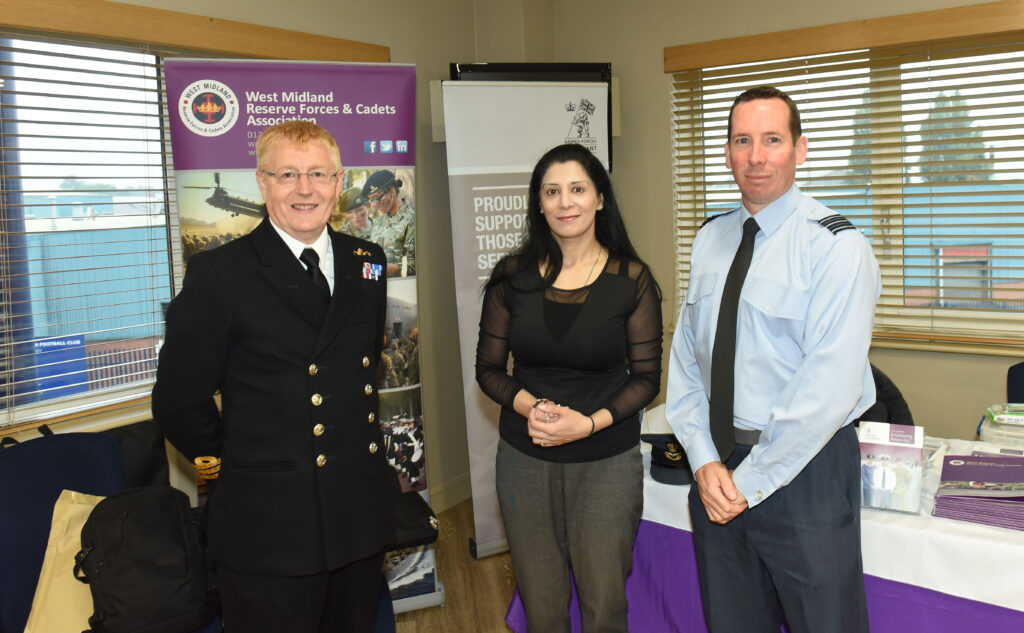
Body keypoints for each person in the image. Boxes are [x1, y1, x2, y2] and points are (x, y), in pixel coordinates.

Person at [152, 120, 397, 633]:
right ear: (262, 184)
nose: (304, 189)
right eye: (287, 174)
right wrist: (242, 463)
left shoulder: (367, 261)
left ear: (339, 181)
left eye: (317, 174)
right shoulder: (219, 275)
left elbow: (362, 367)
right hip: (269, 525)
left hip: (357, 515)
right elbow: (179, 402)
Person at [666, 86, 880, 633]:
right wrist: (703, 458)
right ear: (728, 151)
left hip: (804, 475)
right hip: (716, 470)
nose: (756, 156)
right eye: (742, 140)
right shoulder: (711, 238)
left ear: (800, 149)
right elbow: (687, 364)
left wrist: (751, 480)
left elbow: (827, 390)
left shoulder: (835, 247)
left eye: (772, 140)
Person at [476, 143, 663, 633]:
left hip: (605, 462)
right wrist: (531, 406)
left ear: (600, 197)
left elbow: (646, 379)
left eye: (577, 189)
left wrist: (588, 424)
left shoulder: (633, 281)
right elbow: (489, 370)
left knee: (604, 605)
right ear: (539, 203)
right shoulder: (510, 279)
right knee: (541, 605)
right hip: (524, 459)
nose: (565, 202)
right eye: (552, 191)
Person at [363, 169, 415, 276]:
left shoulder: (411, 220)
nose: (374, 204)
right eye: (371, 200)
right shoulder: (378, 223)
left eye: (376, 198)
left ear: (391, 193)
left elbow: (414, 267)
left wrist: (378, 269)